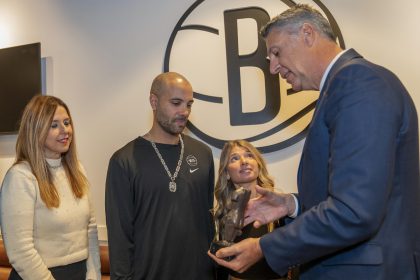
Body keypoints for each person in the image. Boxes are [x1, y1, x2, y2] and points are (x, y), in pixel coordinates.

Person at [208, 4, 420, 280]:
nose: (272, 68)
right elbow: (357, 196)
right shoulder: (344, 85)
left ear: (307, 34)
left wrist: (264, 246)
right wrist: (291, 206)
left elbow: (355, 212)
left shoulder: (358, 82)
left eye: (276, 52)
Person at [105, 72, 216, 279]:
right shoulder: (124, 160)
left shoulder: (203, 154)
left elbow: (207, 222)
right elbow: (120, 236)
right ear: (153, 101)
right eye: (176, 103)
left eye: (189, 104)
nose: (184, 111)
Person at [0, 95, 101, 280]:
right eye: (54, 125)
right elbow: (20, 252)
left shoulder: (78, 169)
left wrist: (93, 275)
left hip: (79, 273)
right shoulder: (21, 177)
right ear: (35, 130)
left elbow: (91, 229)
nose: (65, 130)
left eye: (66, 122)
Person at [213, 140, 286, 280]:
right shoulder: (218, 217)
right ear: (226, 173)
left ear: (258, 166)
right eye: (234, 158)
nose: (244, 161)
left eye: (249, 156)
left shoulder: (281, 208)